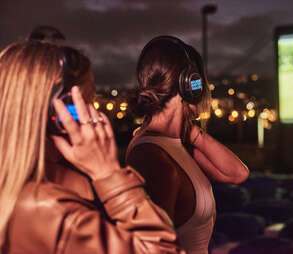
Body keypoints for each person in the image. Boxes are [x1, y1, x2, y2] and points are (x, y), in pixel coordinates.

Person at [0, 40, 184, 253]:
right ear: (59, 115)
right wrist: (109, 172)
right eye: (88, 102)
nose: (96, 114)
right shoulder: (53, 213)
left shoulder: (23, 190)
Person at [125, 36, 250, 254]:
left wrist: (191, 132)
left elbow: (237, 174)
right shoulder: (154, 157)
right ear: (189, 84)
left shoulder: (179, 143)